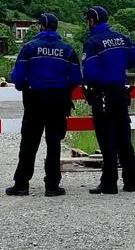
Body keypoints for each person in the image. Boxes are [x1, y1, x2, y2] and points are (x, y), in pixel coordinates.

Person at [6, 12, 81, 197]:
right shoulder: (67, 50)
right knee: (54, 143)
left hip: (34, 100)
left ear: (41, 26)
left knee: (29, 143)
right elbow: (77, 78)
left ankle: (22, 185)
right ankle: (52, 186)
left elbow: (17, 76)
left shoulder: (30, 48)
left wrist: (24, 86)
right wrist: (64, 89)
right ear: (56, 27)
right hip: (58, 101)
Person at [81, 5, 135, 194]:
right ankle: (130, 181)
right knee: (124, 137)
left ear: (92, 21)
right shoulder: (122, 38)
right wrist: (119, 63)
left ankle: (109, 183)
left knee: (106, 137)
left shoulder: (93, 42)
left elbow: (90, 73)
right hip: (120, 91)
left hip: (102, 93)